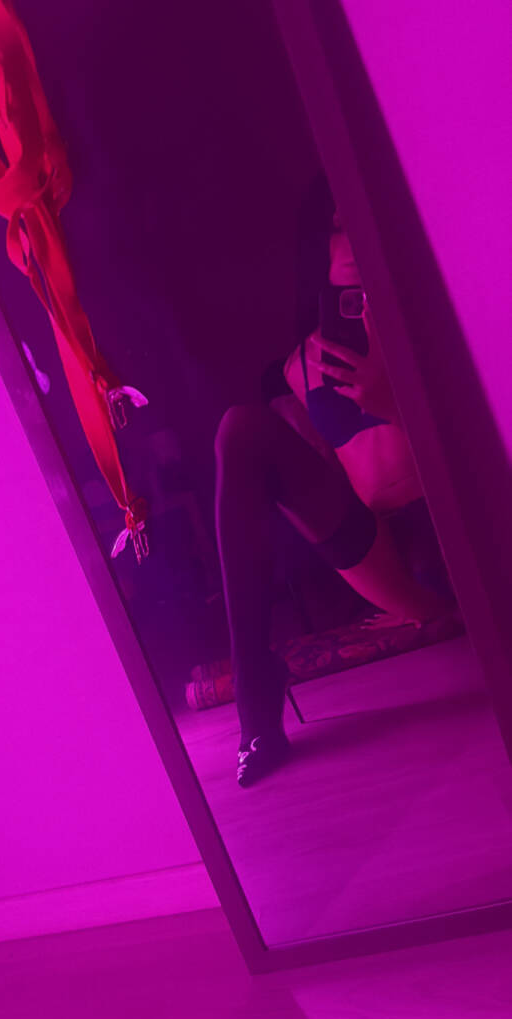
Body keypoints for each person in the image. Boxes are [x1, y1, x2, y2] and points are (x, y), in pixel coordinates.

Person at [214, 175, 454, 787]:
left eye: (359, 222)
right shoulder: (301, 367)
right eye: (336, 226)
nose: (350, 241)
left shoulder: (433, 314)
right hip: (393, 563)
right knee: (242, 428)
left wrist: (392, 399)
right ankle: (255, 692)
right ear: (316, 244)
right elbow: (331, 495)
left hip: (466, 529)